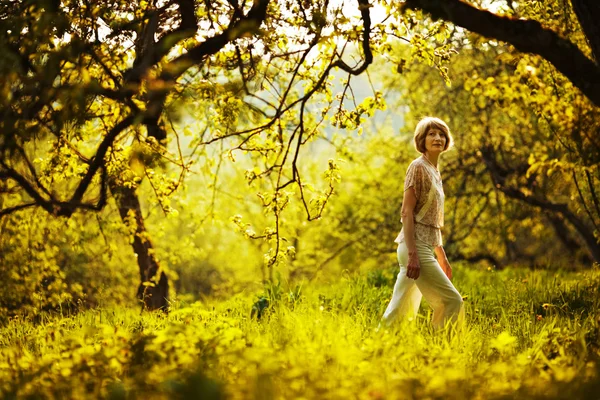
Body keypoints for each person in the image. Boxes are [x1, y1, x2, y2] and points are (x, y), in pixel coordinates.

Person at [380, 117, 464, 330]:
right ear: (422, 140)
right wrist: (413, 254)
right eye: (431, 134)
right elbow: (407, 212)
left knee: (400, 310)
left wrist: (441, 255)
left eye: (441, 134)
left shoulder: (434, 171)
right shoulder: (417, 167)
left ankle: (377, 347)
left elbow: (431, 219)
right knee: (452, 300)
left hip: (424, 246)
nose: (437, 138)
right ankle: (445, 350)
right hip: (414, 246)